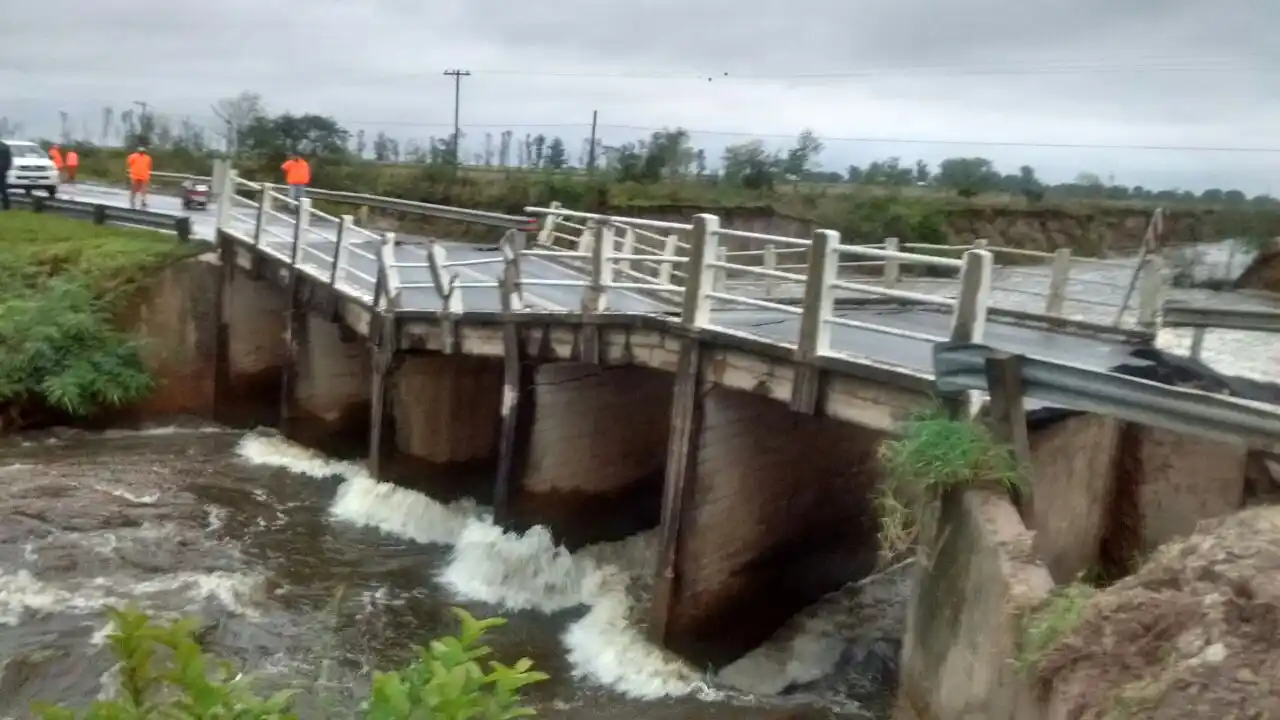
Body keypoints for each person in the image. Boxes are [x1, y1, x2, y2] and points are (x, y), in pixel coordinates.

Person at [126, 145, 153, 209]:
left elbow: (129, 164)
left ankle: (141, 200)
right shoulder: (133, 156)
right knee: (136, 189)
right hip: (137, 175)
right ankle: (133, 199)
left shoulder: (147, 158)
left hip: (142, 175)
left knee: (142, 189)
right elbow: (129, 163)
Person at [0, 141, 11, 211]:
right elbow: (9, 160)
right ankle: (6, 206)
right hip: (2, 170)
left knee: (3, 189)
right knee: (3, 189)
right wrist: (6, 169)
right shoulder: (5, 146)